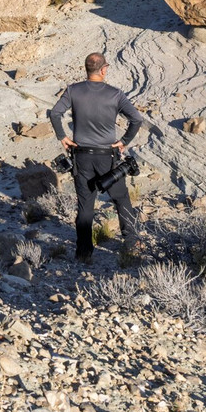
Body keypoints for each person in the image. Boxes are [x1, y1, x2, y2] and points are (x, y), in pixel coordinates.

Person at [49, 52, 144, 263]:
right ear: (103, 70)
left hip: (81, 156)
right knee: (121, 199)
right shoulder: (115, 94)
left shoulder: (73, 90)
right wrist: (124, 141)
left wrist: (62, 137)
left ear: (87, 69)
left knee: (85, 205)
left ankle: (83, 254)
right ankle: (131, 244)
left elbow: (55, 114)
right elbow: (136, 119)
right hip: (107, 158)